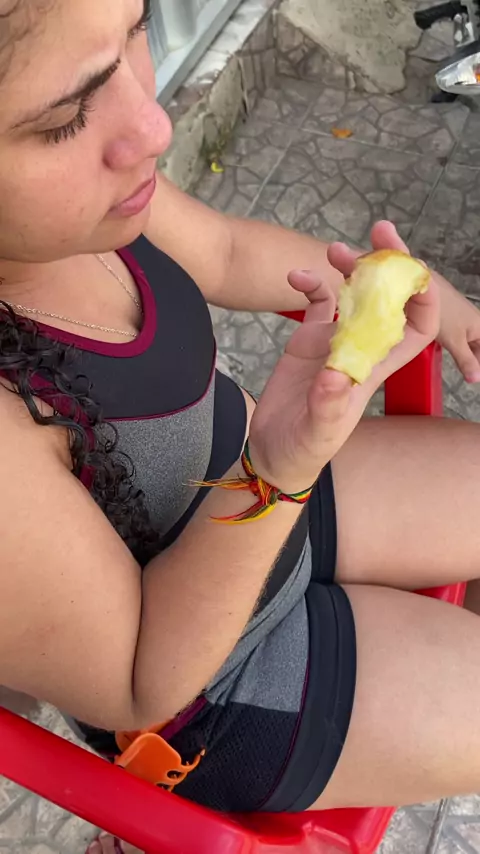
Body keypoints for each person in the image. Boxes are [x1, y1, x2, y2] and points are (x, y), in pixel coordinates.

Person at [2, 3, 480, 854]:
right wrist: (277, 470)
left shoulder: (99, 200)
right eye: (66, 117)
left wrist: (399, 282)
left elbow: (222, 250)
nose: (153, 126)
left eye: (134, 29)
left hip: (260, 490)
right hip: (218, 680)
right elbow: (141, 676)